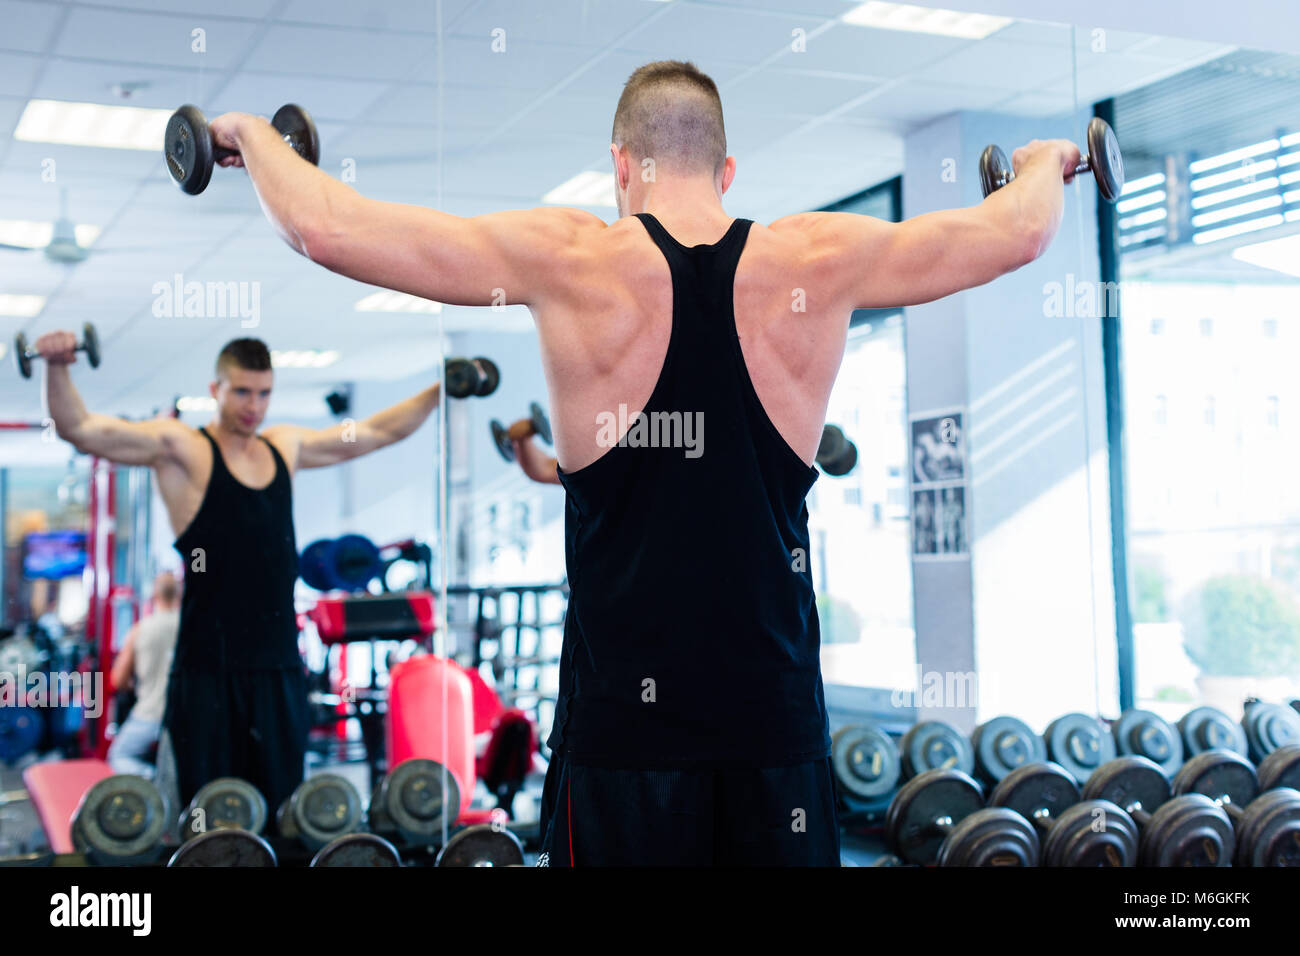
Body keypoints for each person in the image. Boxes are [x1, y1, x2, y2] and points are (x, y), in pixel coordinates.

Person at [202, 59, 1079, 865]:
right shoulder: (820, 257)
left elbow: (325, 226)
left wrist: (251, 136)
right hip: (776, 738)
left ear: (621, 165)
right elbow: (1016, 234)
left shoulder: (571, 259)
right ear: (727, 170)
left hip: (624, 744)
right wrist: (1047, 160)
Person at [38, 335, 442, 816]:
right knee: (209, 820)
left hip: (278, 672)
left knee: (282, 817)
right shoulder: (182, 449)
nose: (255, 406)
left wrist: (442, 387)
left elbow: (377, 431)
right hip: (208, 673)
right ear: (216, 389)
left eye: (264, 393)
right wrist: (56, 365)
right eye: (243, 392)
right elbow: (79, 429)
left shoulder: (285, 447)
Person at [107, 571, 181, 777]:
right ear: (179, 595)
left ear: (154, 597)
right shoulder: (189, 630)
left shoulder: (140, 630)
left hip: (149, 715)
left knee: (118, 757)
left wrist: (138, 685)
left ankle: (154, 778)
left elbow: (118, 680)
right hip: (182, 718)